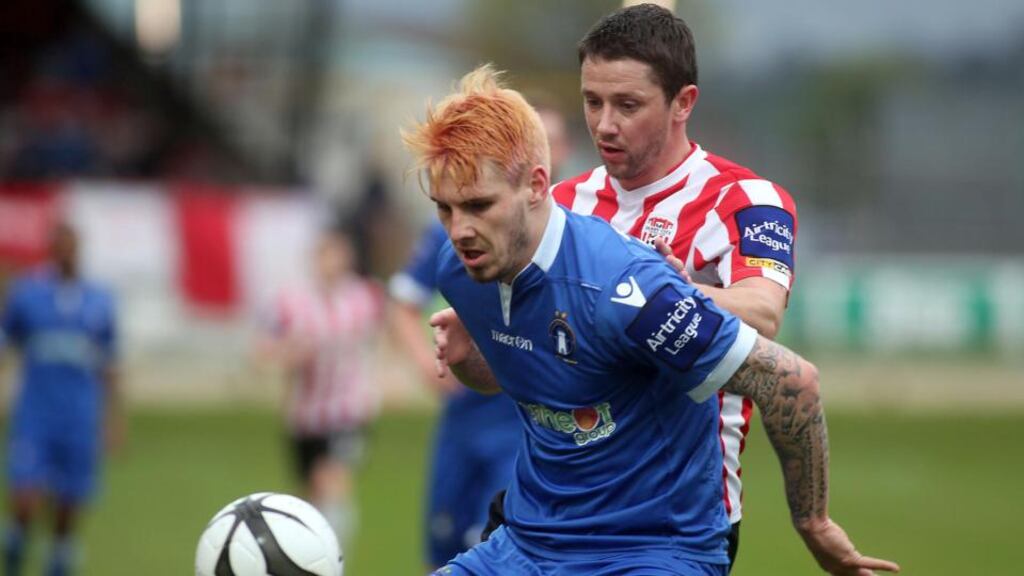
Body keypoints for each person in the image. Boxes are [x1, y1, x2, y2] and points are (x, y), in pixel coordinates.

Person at [403, 64, 898, 575]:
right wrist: (471, 358)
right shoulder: (461, 272)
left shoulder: (624, 288)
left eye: (479, 205)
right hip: (528, 544)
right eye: (445, 209)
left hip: (651, 551)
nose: (459, 230)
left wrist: (813, 523)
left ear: (535, 185)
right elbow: (537, 376)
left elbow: (790, 380)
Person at [486, 5, 799, 569]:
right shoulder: (560, 204)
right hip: (555, 509)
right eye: (592, 102)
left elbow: (763, 310)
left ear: (684, 103)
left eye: (627, 105)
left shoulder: (746, 202)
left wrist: (676, 295)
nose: (605, 124)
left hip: (672, 522)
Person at [389, 99, 572, 571]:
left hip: (524, 429)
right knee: (443, 546)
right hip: (462, 418)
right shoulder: (458, 232)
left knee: (492, 547)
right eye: (446, 210)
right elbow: (403, 302)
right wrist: (432, 366)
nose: (459, 224)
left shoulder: (579, 237)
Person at [0, 222, 122, 576]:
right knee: (25, 498)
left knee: (69, 508)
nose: (66, 252)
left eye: (72, 245)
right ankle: (15, 552)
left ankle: (57, 564)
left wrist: (113, 418)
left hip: (80, 414)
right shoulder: (27, 295)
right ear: (51, 250)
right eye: (60, 246)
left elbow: (110, 363)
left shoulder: (99, 299)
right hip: (36, 413)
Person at [256, 228, 383, 550]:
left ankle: (332, 563)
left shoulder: (364, 297)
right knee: (307, 501)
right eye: (326, 255)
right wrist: (289, 353)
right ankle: (305, 560)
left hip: (348, 411)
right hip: (305, 416)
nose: (332, 263)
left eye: (338, 255)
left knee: (334, 484)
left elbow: (381, 342)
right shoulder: (290, 301)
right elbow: (261, 351)